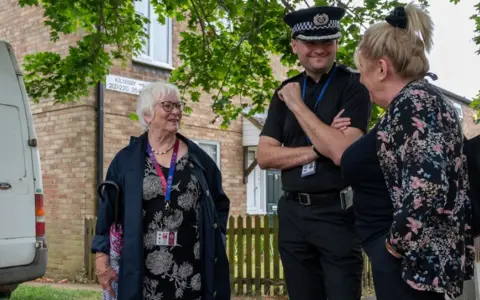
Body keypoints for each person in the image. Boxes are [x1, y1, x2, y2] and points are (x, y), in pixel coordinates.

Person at [338, 3, 475, 300]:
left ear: (382, 68)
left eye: (362, 71)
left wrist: (394, 245)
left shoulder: (414, 104)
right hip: (404, 257)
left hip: (407, 260)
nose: (361, 80)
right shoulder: (414, 102)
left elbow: (428, 185)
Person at [257, 6, 371, 300]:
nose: (319, 49)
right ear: (295, 45)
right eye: (310, 42)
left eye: (327, 41)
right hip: (293, 214)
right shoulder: (284, 90)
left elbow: (342, 151)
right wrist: (320, 146)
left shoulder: (355, 87)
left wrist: (297, 105)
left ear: (337, 43)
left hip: (336, 214)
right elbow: (265, 156)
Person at [91, 82, 231, 300]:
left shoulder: (199, 159)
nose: (176, 112)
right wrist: (102, 259)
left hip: (192, 272)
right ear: (147, 115)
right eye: (167, 106)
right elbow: (107, 211)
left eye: (179, 106)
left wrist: (216, 238)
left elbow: (220, 202)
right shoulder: (126, 160)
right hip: (140, 272)